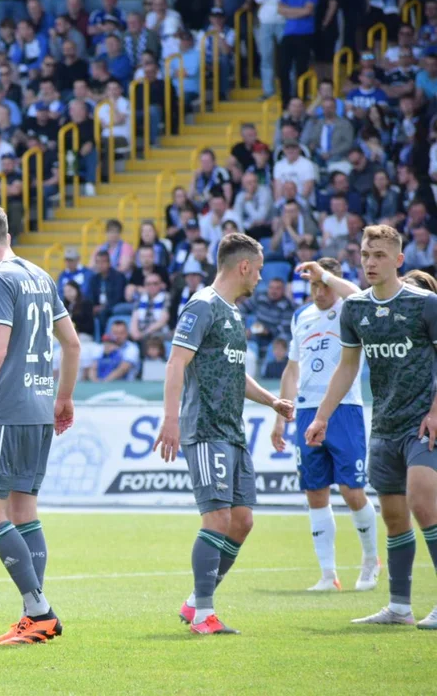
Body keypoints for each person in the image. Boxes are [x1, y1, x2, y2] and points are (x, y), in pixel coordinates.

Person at [0, 204, 81, 645]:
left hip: (8, 408)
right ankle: (32, 614)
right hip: (41, 407)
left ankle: (40, 610)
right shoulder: (41, 276)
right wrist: (63, 397)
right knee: (24, 510)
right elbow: (73, 343)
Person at [155, 233, 295, 635]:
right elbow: (175, 363)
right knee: (216, 518)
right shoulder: (202, 306)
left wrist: (272, 402)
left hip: (233, 432)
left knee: (242, 522)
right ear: (244, 266)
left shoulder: (233, 314)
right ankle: (204, 615)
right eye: (260, 270)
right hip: (205, 428)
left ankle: (194, 603)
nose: (261, 278)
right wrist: (171, 419)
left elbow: (236, 372)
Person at [305, 225, 437, 628]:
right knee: (395, 517)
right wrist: (322, 415)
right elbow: (347, 368)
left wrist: (435, 411)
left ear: (399, 260)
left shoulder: (425, 304)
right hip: (382, 426)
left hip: (423, 424)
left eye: (379, 255)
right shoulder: (356, 309)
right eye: (365, 254)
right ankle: (399, 607)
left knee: (423, 502)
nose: (370, 262)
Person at [271, 257, 379, 591]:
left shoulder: (349, 305)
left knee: (351, 490)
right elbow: (292, 369)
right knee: (315, 492)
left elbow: (360, 294)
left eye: (322, 284)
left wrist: (328, 276)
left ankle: (371, 559)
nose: (318, 291)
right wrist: (280, 416)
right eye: (313, 285)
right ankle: (328, 574)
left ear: (332, 281)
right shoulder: (301, 316)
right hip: (306, 411)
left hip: (344, 408)